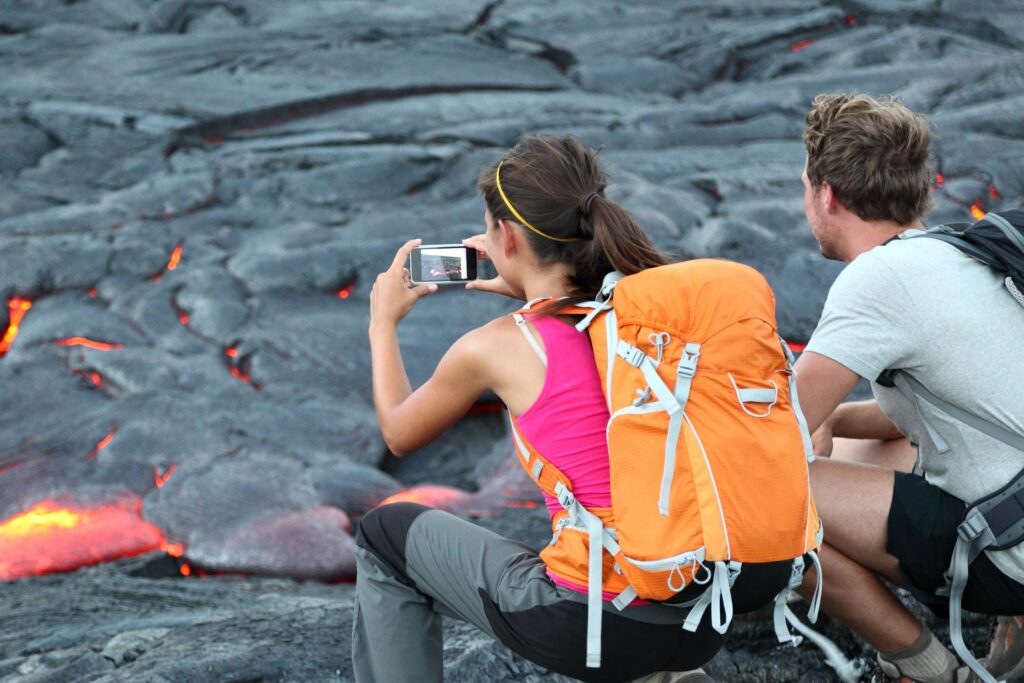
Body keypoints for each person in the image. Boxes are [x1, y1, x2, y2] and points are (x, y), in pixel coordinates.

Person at [352, 136, 725, 683]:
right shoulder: (651, 315)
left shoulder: (495, 347)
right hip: (700, 614)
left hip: (594, 624)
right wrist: (530, 290)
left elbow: (399, 433)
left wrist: (382, 321)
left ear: (503, 235)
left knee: (385, 534)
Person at [791, 93, 1024, 682]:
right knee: (856, 451)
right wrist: (836, 420)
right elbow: (947, 407)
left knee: (764, 499)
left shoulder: (878, 279)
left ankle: (933, 672)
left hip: (1011, 550)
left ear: (827, 195)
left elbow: (773, 423)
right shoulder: (956, 253)